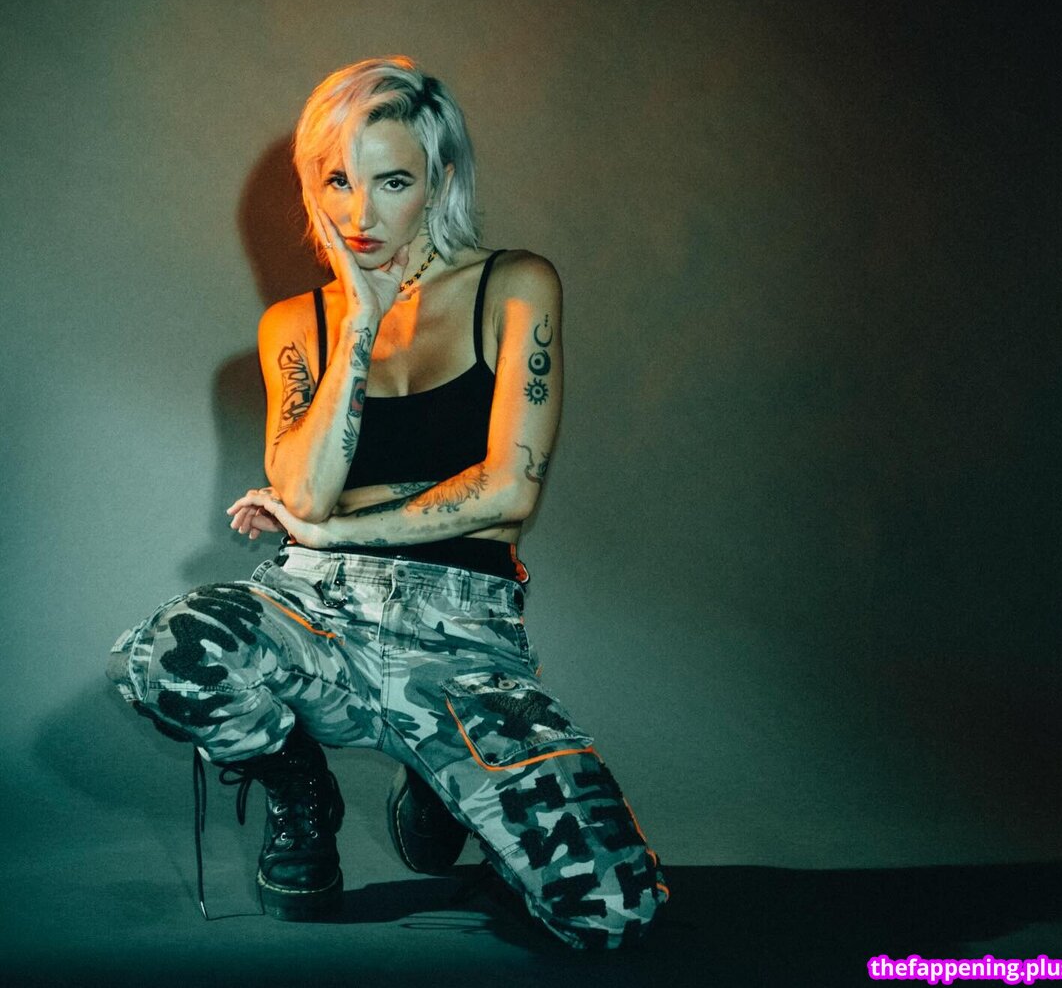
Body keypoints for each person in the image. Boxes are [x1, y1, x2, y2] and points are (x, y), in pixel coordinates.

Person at [106, 56, 668, 949]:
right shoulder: (298, 324)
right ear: (313, 185)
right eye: (337, 180)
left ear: (439, 178)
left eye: (392, 181)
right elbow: (304, 492)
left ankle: (445, 777)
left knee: (612, 907)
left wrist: (339, 528)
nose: (359, 215)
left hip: (460, 632)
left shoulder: (515, 285)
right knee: (163, 656)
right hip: (313, 612)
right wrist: (361, 323)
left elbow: (509, 491)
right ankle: (298, 783)